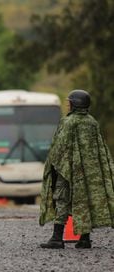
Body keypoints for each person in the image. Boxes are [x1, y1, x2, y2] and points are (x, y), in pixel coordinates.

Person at [39, 89, 114, 249]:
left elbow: (59, 147)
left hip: (68, 170)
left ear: (74, 104)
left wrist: (53, 167)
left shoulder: (68, 122)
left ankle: (57, 238)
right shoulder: (93, 122)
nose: (68, 105)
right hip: (89, 172)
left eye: (69, 102)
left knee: (62, 200)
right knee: (84, 201)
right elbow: (100, 148)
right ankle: (84, 239)